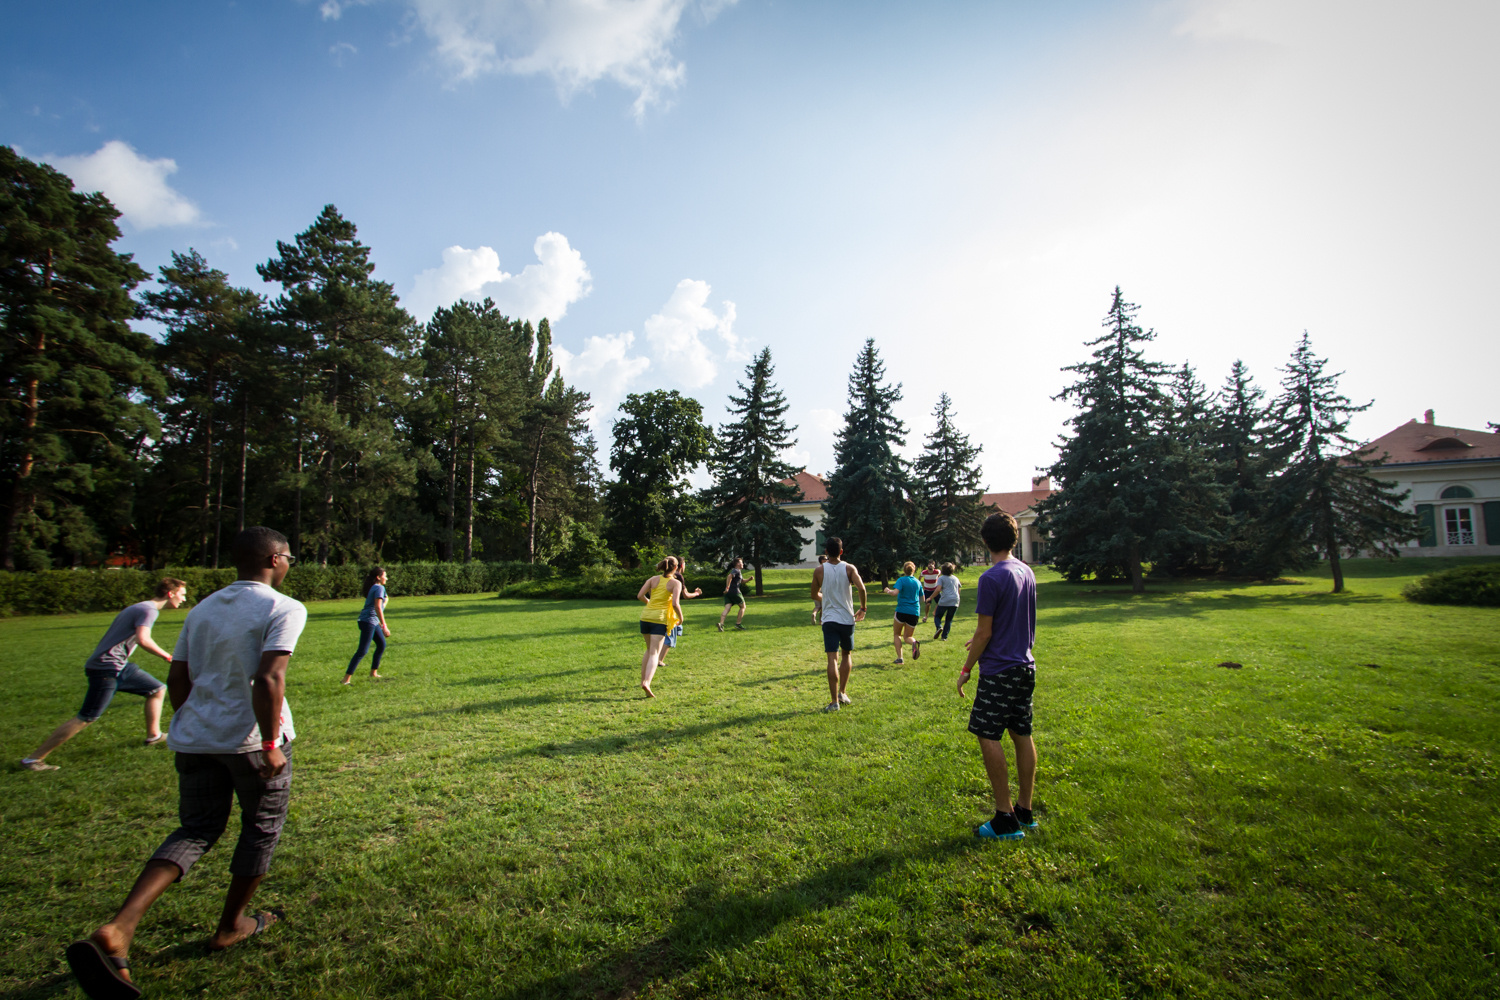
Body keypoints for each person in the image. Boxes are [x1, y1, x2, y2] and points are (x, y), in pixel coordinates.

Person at [64, 527, 308, 998]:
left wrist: (195, 721)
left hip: (196, 737)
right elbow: (269, 678)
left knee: (195, 828)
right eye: (290, 557)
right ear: (276, 559)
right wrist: (272, 741)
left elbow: (179, 674)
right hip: (251, 741)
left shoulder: (205, 608)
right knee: (261, 829)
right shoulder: (284, 607)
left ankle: (119, 928)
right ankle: (230, 925)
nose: (290, 563)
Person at [21, 578, 188, 771]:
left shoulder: (141, 607)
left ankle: (154, 736)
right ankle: (33, 759)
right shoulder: (148, 610)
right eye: (182, 594)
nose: (184, 599)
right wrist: (168, 656)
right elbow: (143, 639)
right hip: (107, 668)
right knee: (87, 716)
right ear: (170, 593)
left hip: (118, 665)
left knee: (156, 689)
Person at [956, 512, 1038, 841]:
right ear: (1014, 538)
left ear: (985, 541)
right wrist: (979, 641)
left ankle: (1005, 818)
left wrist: (966, 668)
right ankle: (1025, 811)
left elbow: (985, 631)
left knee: (987, 734)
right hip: (1024, 666)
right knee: (1021, 733)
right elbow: (1012, 620)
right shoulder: (1026, 571)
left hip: (999, 670)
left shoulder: (991, 578)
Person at [810, 536, 867, 712]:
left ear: (826, 552)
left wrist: (825, 598)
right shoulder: (849, 568)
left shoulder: (819, 571)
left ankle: (834, 701)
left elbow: (814, 594)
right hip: (847, 619)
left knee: (831, 659)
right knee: (846, 655)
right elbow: (862, 588)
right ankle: (842, 693)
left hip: (829, 620)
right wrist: (863, 608)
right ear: (841, 551)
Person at [636, 556, 684, 698]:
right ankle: (647, 682)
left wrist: (650, 602)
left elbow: (640, 595)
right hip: (659, 619)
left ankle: (642, 680)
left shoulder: (652, 579)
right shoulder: (675, 583)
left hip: (645, 617)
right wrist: (681, 618)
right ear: (676, 568)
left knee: (649, 650)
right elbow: (675, 603)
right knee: (654, 653)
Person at [343, 567, 391, 684]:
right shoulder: (379, 588)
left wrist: (385, 602)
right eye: (385, 575)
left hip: (370, 621)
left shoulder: (374, 587)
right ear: (378, 577)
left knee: (381, 644)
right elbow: (377, 607)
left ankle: (373, 673)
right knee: (362, 651)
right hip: (368, 621)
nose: (387, 578)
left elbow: (376, 608)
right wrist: (384, 626)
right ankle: (346, 679)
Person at [654, 555, 701, 672]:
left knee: (674, 632)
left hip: (659, 611)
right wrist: (696, 593)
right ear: (680, 565)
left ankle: (656, 658)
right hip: (670, 612)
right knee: (670, 638)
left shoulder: (661, 577)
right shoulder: (678, 576)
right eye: (684, 564)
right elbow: (685, 595)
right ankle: (658, 660)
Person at [881, 561, 923, 664]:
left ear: (904, 570)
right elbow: (922, 599)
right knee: (908, 637)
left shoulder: (901, 580)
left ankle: (900, 658)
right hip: (914, 612)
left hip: (901, 611)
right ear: (914, 570)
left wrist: (887, 590)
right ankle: (914, 642)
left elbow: (894, 593)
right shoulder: (918, 582)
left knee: (897, 634)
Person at [928, 563, 962, 640]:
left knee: (937, 616)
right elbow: (959, 589)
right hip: (955, 600)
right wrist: (957, 598)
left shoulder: (941, 578)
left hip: (945, 600)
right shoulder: (955, 578)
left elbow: (938, 590)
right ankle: (944, 637)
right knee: (949, 619)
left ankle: (939, 627)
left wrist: (930, 598)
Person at [716, 557, 748, 631]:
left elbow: (742, 581)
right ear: (737, 564)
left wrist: (749, 579)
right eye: (741, 562)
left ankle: (721, 624)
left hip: (728, 593)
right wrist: (727, 587)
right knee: (743, 607)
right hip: (735, 592)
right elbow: (729, 576)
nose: (742, 564)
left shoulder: (737, 571)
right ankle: (738, 624)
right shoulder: (736, 570)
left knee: (727, 608)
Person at [811, 554, 828, 624]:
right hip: (823, 589)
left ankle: (814, 614)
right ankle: (820, 621)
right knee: (823, 606)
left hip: (817, 589)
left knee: (817, 606)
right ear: (822, 560)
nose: (827, 560)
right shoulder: (826, 568)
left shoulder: (817, 569)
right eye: (826, 559)